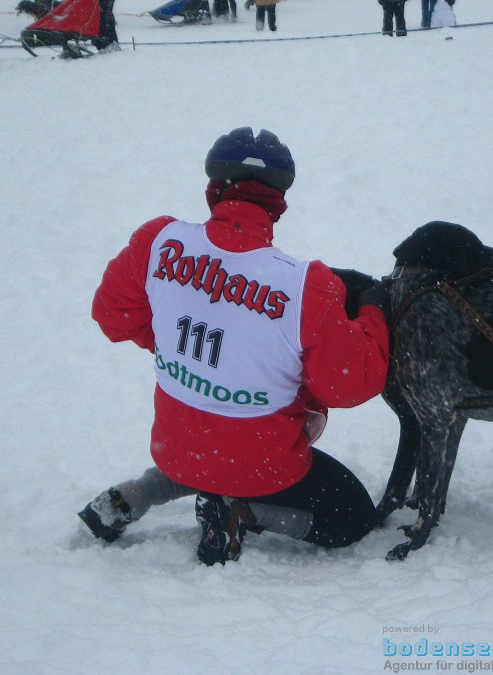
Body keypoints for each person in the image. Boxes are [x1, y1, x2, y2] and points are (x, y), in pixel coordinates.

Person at [80, 127, 391, 565]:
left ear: (213, 190)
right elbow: (350, 384)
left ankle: (140, 493)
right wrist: (373, 313)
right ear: (279, 205)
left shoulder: (157, 241)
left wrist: (174, 347)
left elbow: (113, 317)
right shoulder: (308, 288)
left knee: (208, 459)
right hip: (261, 463)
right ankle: (241, 511)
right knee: (353, 517)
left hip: (178, 446)